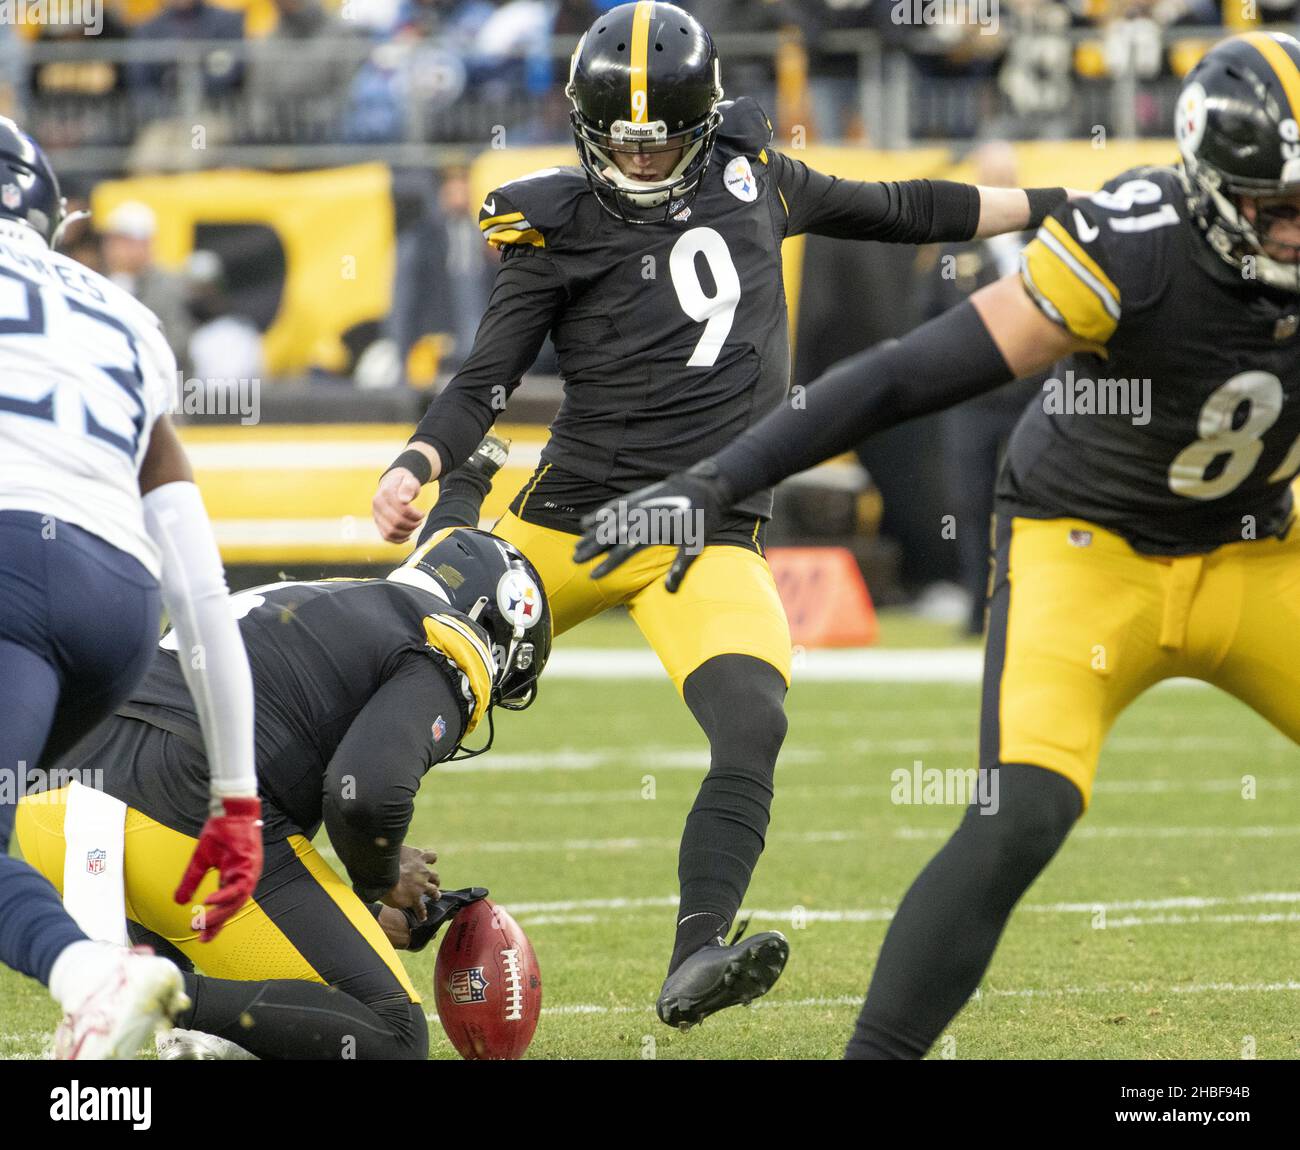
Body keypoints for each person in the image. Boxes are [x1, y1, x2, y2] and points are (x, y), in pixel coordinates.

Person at [574, 31, 1300, 1058]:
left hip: (1259, 551)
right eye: (1279, 207)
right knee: (1021, 813)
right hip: (1090, 553)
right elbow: (903, 376)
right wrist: (715, 479)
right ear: (1218, 192)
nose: (1295, 229)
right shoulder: (1132, 246)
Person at [372, 2, 1074, 1029]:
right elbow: (483, 377)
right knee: (408, 677)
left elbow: (906, 205)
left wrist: (1053, 203)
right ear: (585, 124)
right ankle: (334, 869)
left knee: (753, 719)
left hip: (699, 536)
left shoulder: (760, 178)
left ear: (701, 123)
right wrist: (419, 459)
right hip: (571, 523)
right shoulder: (552, 224)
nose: (642, 160)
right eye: (623, 140)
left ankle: (697, 951)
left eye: (660, 141)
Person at [20, 443, 549, 1060]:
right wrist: (377, 881)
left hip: (53, 806)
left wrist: (358, 903)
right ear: (493, 630)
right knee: (392, 1037)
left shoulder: (332, 600)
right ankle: (140, 992)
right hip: (173, 821)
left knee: (261, 1029)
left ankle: (175, 1015)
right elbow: (366, 793)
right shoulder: (443, 644)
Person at [0, 118, 261, 1059]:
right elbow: (197, 575)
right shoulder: (122, 315)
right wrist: (236, 795)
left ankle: (95, 976)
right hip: (115, 600)